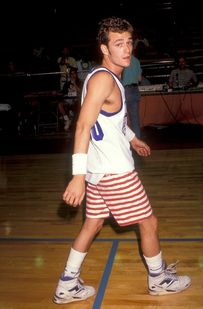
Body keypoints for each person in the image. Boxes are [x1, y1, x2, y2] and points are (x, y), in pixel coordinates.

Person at [53, 16, 191, 305]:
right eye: (118, 44)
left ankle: (67, 283)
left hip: (99, 171)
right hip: (116, 172)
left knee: (92, 224)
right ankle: (159, 279)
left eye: (129, 42)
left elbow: (109, 121)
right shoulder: (105, 79)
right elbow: (83, 126)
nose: (127, 49)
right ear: (104, 48)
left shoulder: (99, 76)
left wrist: (132, 138)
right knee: (149, 222)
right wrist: (77, 177)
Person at [122, 54, 142, 138]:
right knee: (135, 119)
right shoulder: (136, 61)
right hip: (135, 90)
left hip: (125, 90)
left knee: (122, 120)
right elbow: (139, 79)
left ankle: (124, 142)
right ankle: (138, 142)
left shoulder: (122, 59)